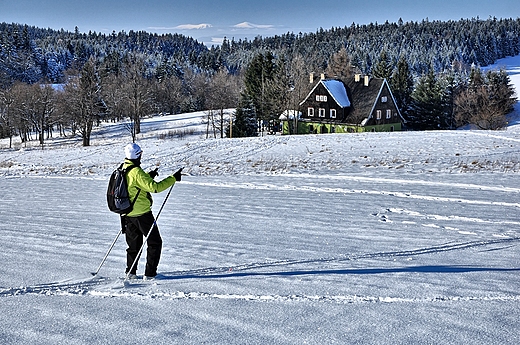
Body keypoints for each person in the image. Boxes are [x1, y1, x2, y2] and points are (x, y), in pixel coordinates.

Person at [122, 143, 182, 280]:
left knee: (134, 245)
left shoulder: (124, 168)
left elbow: (135, 185)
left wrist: (149, 176)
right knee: (155, 242)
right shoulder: (136, 171)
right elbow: (155, 188)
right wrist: (173, 178)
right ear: (138, 155)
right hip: (142, 213)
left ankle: (130, 272)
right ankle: (149, 274)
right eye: (140, 153)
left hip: (127, 213)